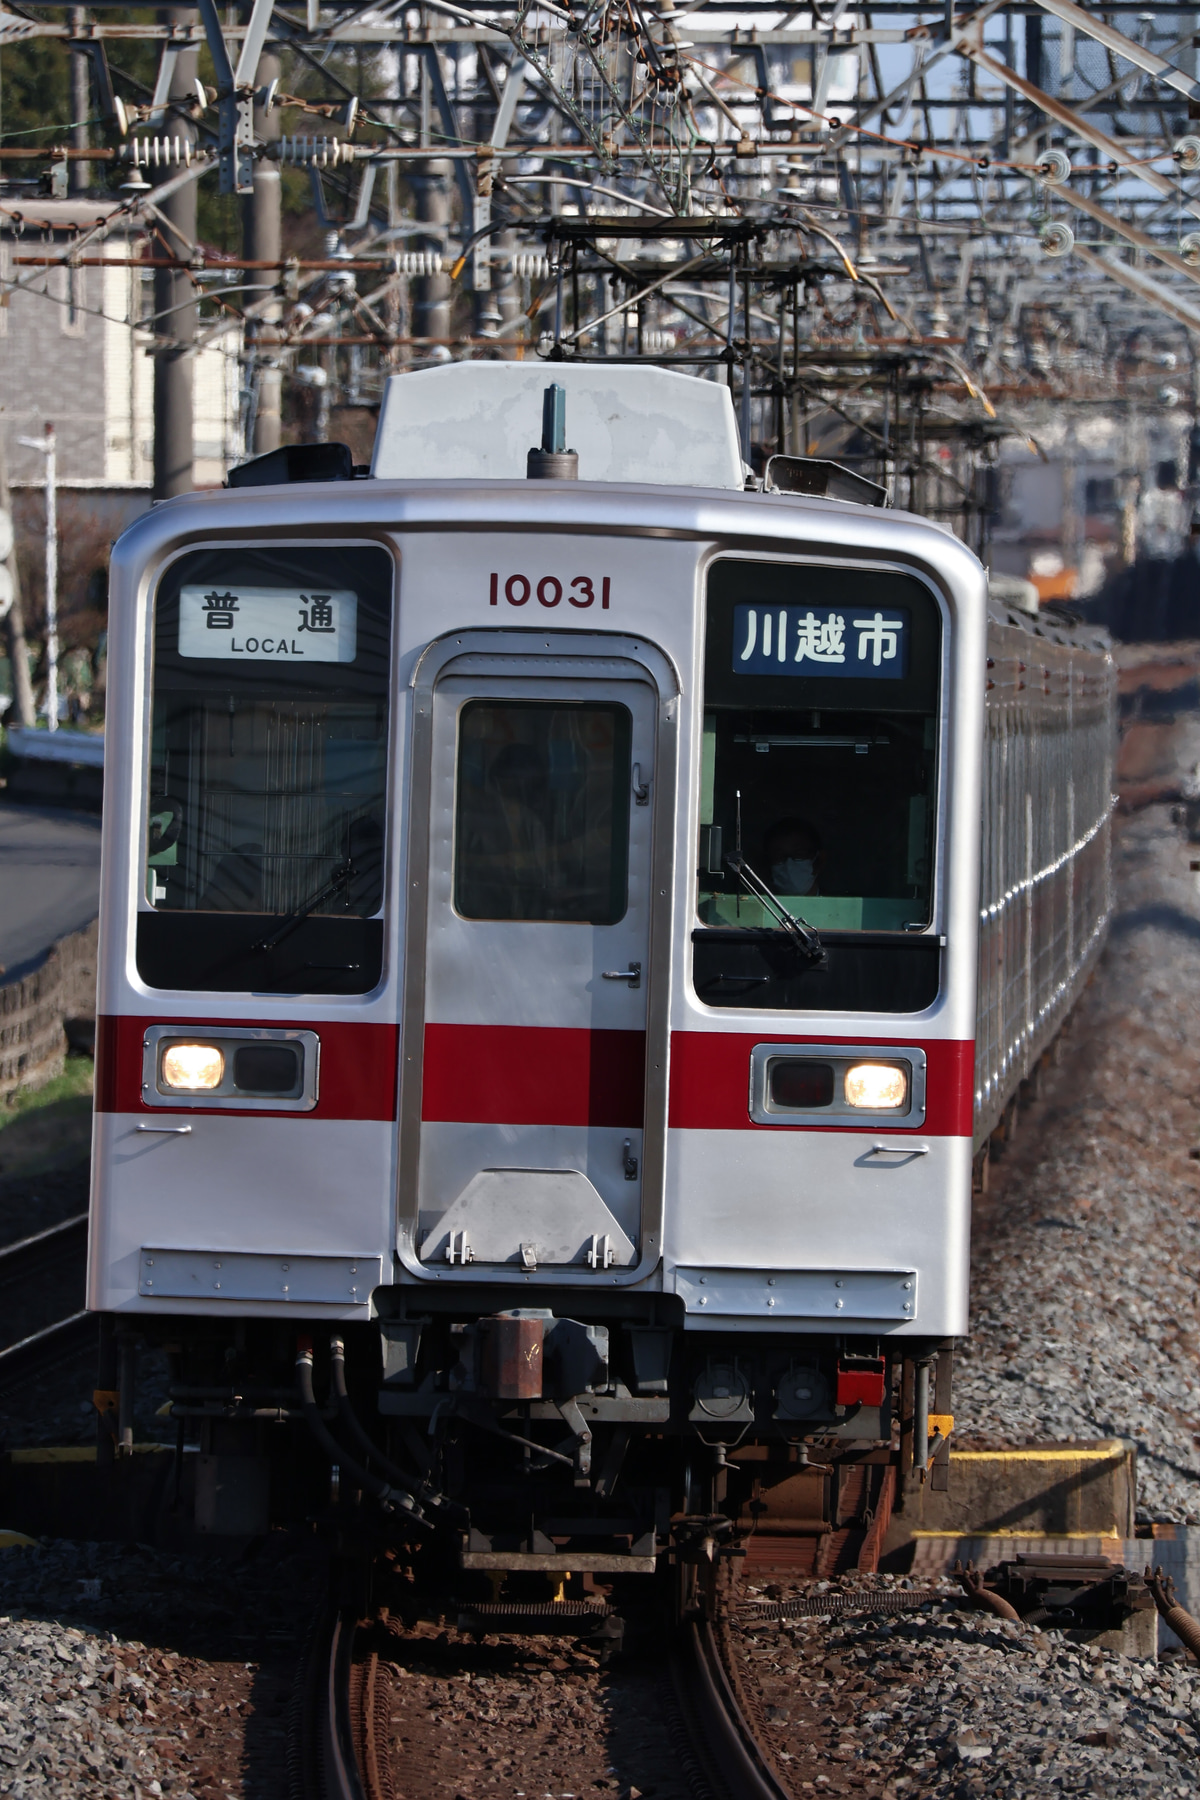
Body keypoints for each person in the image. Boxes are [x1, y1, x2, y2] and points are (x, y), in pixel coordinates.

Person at [764, 818, 824, 896]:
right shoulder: (757, 902)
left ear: (819, 860)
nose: (789, 865)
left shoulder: (837, 902)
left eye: (799, 854)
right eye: (779, 856)